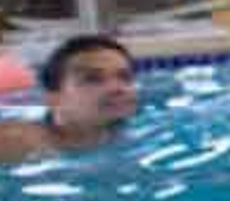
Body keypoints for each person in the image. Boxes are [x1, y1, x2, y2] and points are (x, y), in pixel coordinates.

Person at [0, 35, 138, 163]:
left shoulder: (120, 132)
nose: (118, 88)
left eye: (125, 77)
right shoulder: (17, 143)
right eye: (93, 79)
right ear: (54, 99)